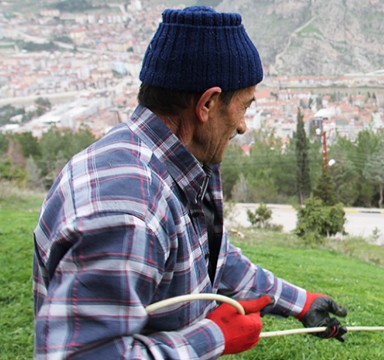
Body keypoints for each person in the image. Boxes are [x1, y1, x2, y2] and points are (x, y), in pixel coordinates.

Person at [33, 6, 347, 358]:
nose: (243, 126)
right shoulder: (129, 212)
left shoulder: (175, 165)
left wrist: (302, 303)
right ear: (208, 104)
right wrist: (213, 336)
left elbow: (214, 260)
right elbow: (83, 354)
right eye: (243, 107)